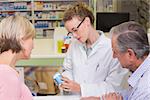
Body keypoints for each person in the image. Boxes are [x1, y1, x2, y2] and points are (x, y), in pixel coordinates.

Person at [60, 2, 128, 97]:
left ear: (87, 22)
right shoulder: (74, 45)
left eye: (75, 30)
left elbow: (114, 86)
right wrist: (67, 82)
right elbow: (67, 69)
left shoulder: (111, 48)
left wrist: (80, 88)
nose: (74, 36)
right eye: (70, 32)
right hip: (75, 97)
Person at [81, 21, 150, 100]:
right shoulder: (141, 72)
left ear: (130, 54)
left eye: (115, 52)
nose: (113, 56)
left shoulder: (145, 89)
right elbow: (128, 94)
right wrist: (99, 99)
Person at [0, 15, 35, 100]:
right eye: (32, 38)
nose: (33, 46)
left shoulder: (6, 70)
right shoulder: (6, 74)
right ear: (21, 39)